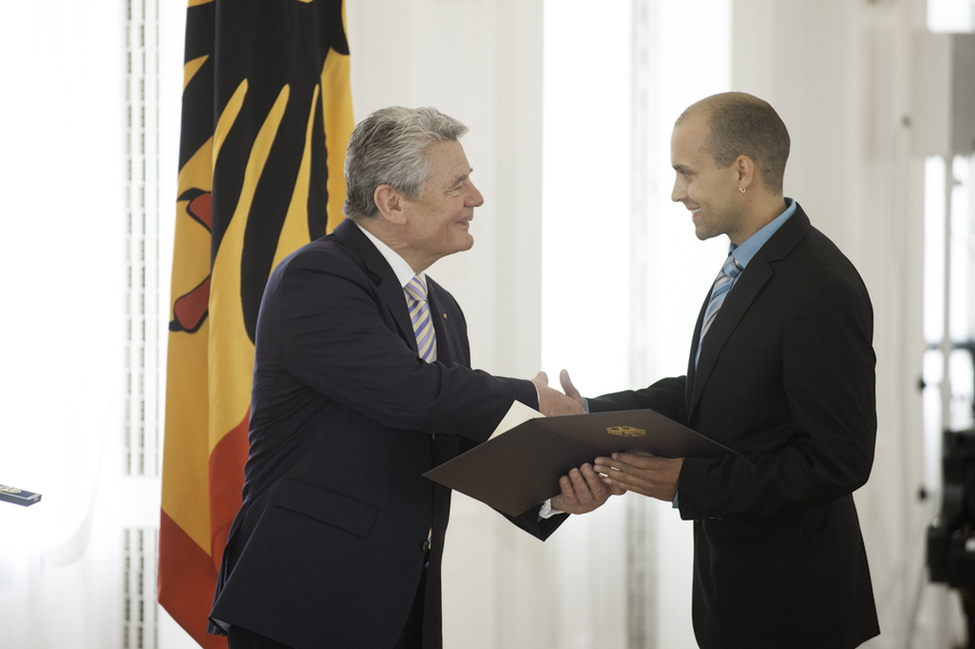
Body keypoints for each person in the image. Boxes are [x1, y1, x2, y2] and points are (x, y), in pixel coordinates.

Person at [208, 106, 609, 649]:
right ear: (392, 201)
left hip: (400, 602)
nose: (476, 199)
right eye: (458, 185)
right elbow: (411, 394)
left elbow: (453, 442)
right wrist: (533, 397)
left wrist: (552, 495)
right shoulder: (317, 276)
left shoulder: (442, 308)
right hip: (303, 599)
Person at [565, 92, 880, 648]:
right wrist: (589, 411)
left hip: (794, 610)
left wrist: (690, 483)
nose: (676, 193)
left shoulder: (822, 286)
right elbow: (713, 391)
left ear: (741, 171)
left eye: (686, 173)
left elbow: (838, 460)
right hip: (731, 598)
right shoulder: (743, 261)